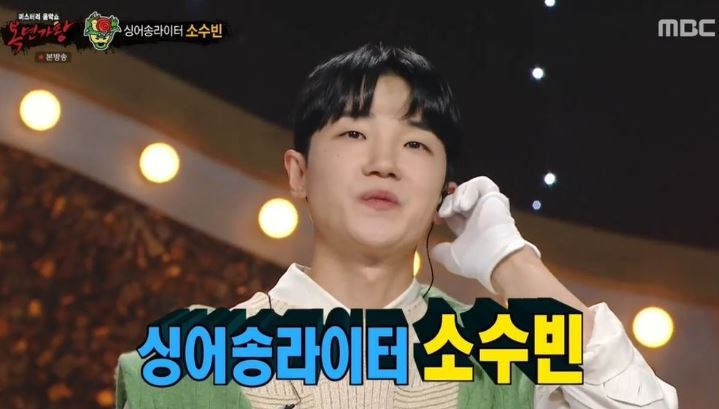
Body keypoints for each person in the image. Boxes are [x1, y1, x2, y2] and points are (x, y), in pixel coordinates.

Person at [116, 43, 678, 409]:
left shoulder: (501, 361)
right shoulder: (184, 368)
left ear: (443, 192)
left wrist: (511, 260)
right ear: (299, 173)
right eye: (354, 134)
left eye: (415, 144)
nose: (384, 162)